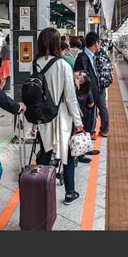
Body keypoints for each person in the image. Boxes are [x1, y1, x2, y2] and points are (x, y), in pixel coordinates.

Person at [34, 28, 84, 205]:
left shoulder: (36, 63)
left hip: (44, 116)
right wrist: (78, 122)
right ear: (57, 44)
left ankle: (39, 189)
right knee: (67, 153)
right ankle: (70, 192)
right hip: (62, 115)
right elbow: (70, 97)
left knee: (46, 152)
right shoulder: (63, 65)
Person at [74, 32, 101, 141]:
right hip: (86, 99)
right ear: (95, 43)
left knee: (90, 122)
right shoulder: (83, 58)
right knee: (86, 123)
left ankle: (85, 148)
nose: (100, 46)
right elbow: (83, 81)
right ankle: (81, 152)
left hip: (91, 97)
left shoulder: (91, 56)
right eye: (99, 43)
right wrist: (90, 99)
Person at [95, 46, 112, 137]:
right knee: (102, 108)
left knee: (90, 107)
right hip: (103, 85)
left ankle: (91, 132)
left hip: (94, 86)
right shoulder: (105, 55)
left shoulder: (94, 55)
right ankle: (104, 130)